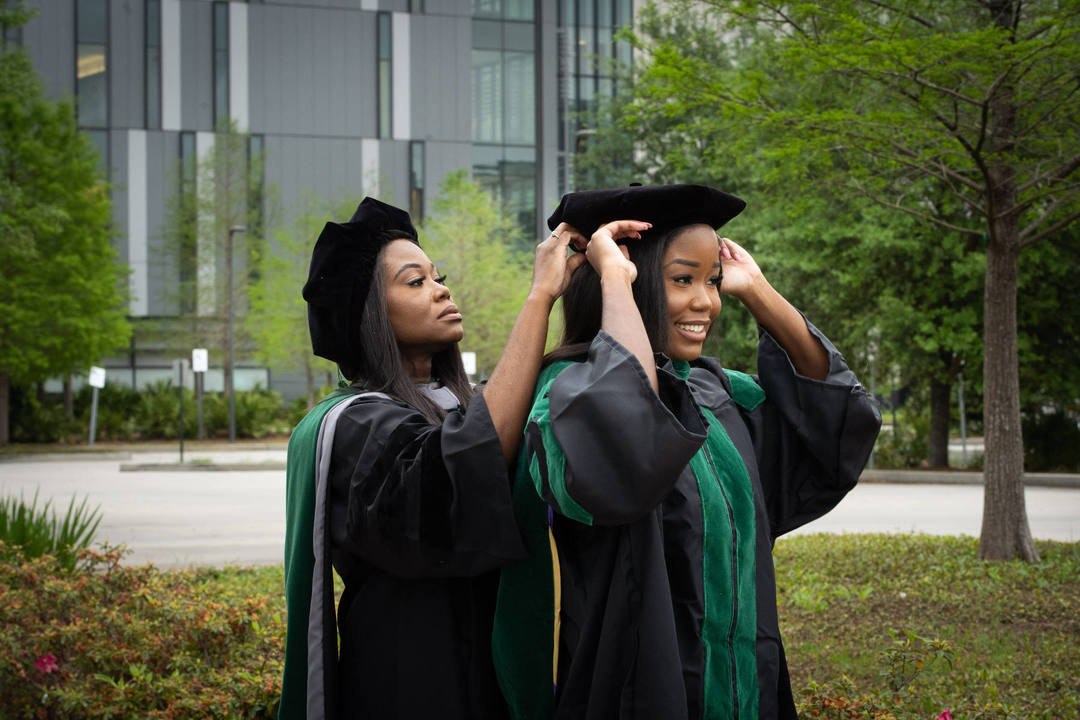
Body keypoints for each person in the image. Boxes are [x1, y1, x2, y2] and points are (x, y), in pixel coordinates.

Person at [492, 184, 882, 720]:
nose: (707, 302)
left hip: (746, 685)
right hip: (636, 692)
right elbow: (628, 433)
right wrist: (614, 280)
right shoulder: (566, 396)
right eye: (682, 279)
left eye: (712, 282)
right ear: (624, 279)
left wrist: (759, 292)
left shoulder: (716, 391)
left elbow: (835, 423)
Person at [279, 196, 587, 720]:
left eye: (437, 276)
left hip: (486, 664)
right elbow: (459, 473)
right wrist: (540, 297)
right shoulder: (354, 424)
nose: (442, 288)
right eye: (415, 281)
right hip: (410, 671)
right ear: (369, 312)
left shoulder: (458, 405)